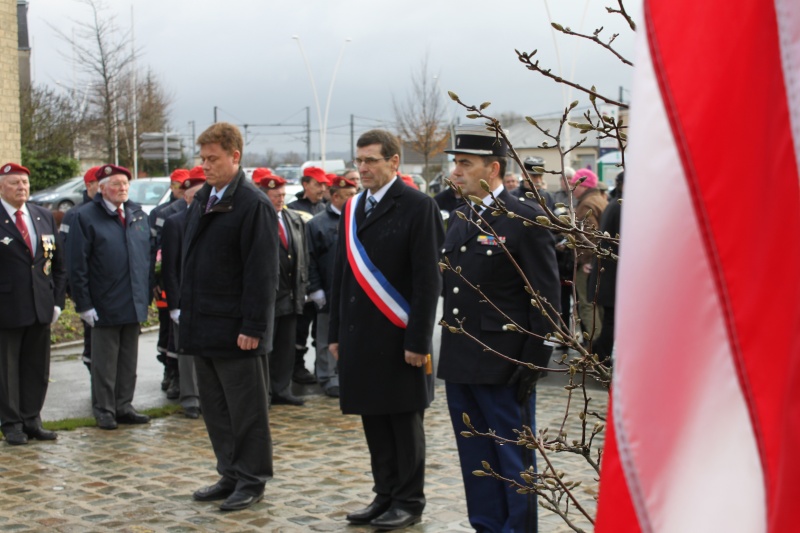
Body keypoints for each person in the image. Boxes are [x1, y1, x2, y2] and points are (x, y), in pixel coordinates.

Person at [438, 125, 560, 532]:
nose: (456, 171)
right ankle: (487, 526)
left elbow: (545, 298)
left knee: (512, 460)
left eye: (465, 164)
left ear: (492, 168)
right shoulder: (459, 217)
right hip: (461, 362)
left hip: (504, 363)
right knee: (476, 458)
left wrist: (534, 361)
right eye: (455, 163)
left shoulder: (524, 218)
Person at [329, 129, 444, 529]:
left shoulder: (418, 206)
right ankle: (384, 494)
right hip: (361, 336)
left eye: (371, 161)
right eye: (359, 161)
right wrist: (335, 332)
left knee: (403, 422)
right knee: (373, 419)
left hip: (398, 337)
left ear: (394, 162)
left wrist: (418, 340)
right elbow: (341, 275)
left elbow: (429, 281)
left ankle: (409, 501)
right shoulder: (353, 207)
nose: (362, 168)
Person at [179, 122, 279, 512]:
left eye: (213, 159)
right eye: (202, 159)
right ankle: (230, 472)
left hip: (237, 330)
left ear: (235, 157)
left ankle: (252, 479)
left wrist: (254, 325)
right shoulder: (204, 198)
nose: (205, 166)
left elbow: (261, 272)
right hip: (204, 325)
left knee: (246, 411)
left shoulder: (252, 204)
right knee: (217, 410)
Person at [68, 164, 152, 430]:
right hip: (103, 302)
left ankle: (124, 405)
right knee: (105, 362)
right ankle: (104, 409)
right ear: (102, 188)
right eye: (115, 184)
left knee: (128, 359)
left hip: (133, 299)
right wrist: (84, 304)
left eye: (125, 184)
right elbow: (77, 265)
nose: (122, 188)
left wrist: (145, 295)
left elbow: (145, 259)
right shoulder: (86, 216)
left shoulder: (137, 214)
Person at [0, 163, 66, 445]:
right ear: (1, 186)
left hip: (40, 304)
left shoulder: (42, 216)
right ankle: (11, 422)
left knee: (37, 367)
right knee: (6, 369)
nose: (21, 187)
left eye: (25, 182)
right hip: (7, 307)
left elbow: (58, 264)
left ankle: (32, 419)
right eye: (15, 182)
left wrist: (57, 302)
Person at [254, 168, 309, 407]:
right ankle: (263, 392)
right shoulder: (257, 220)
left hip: (291, 293)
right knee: (265, 348)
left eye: (283, 194)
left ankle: (282, 389)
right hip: (267, 296)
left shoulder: (293, 220)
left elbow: (302, 255)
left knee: (286, 347)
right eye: (275, 194)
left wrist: (303, 286)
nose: (280, 198)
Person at [305, 175, 358, 398]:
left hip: (354, 291)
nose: (354, 199)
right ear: (335, 197)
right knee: (327, 335)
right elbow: (309, 259)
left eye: (355, 195)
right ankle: (327, 376)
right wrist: (315, 288)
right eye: (349, 196)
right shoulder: (317, 223)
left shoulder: (359, 218)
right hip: (328, 291)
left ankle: (348, 373)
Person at [160, 174, 206, 419]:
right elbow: (170, 267)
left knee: (208, 350)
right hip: (185, 300)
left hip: (210, 298)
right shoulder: (175, 223)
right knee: (186, 351)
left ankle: (207, 396)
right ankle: (190, 397)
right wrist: (174, 305)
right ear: (187, 197)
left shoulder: (213, 219)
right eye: (196, 195)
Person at [287, 166, 329, 386]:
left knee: (321, 330)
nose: (322, 188)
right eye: (317, 184)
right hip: (301, 280)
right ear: (306, 185)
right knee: (300, 328)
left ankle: (321, 367)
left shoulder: (325, 208)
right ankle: (296, 366)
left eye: (323, 184)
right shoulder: (292, 209)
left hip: (322, 279)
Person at [149, 168, 189, 397]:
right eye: (179, 185)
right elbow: (154, 248)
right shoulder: (161, 213)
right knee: (167, 327)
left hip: (183, 280)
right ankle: (170, 370)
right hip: (166, 280)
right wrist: (155, 279)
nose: (182, 190)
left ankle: (178, 373)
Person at [59, 165, 101, 372]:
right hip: (87, 288)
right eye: (99, 184)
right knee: (91, 336)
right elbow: (64, 253)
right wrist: (68, 287)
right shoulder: (74, 215)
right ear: (89, 185)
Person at [588, 171, 623, 363]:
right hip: (611, 275)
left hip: (607, 274)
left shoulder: (614, 204)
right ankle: (600, 356)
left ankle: (599, 354)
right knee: (610, 321)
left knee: (610, 320)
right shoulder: (619, 207)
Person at [571, 168, 608, 344]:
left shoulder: (586, 204)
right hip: (600, 261)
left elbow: (588, 236)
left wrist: (586, 260)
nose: (572, 188)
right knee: (597, 304)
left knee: (586, 305)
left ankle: (594, 349)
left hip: (588, 264)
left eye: (574, 184)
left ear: (583, 185)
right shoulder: (600, 200)